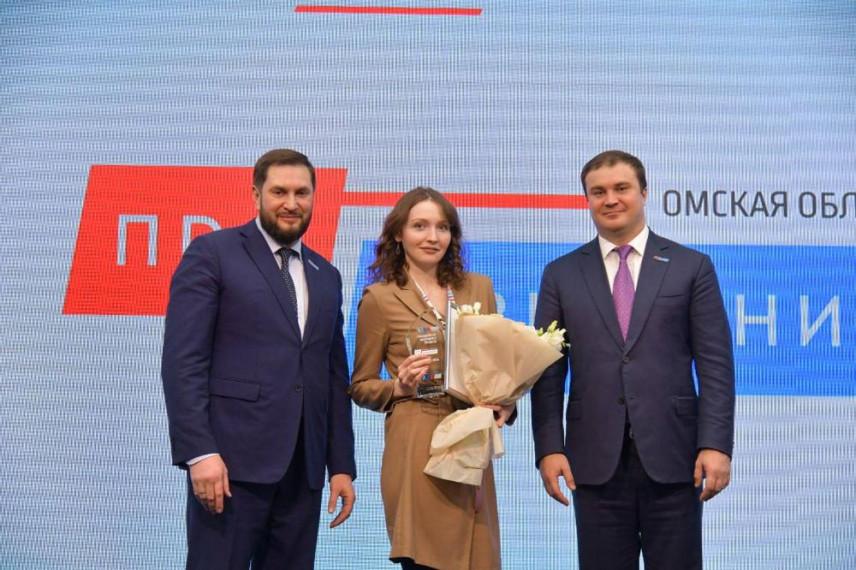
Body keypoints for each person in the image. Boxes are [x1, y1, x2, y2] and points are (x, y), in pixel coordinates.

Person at [531, 150, 735, 569]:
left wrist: (715, 444)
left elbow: (715, 366)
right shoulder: (561, 274)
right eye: (598, 192)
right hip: (593, 461)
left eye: (621, 188)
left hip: (675, 458)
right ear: (587, 199)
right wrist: (549, 448)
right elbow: (547, 373)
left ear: (644, 192)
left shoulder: (691, 267)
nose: (610, 199)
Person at [161, 148, 356, 569]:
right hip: (229, 468)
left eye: (302, 193)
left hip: (303, 474)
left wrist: (341, 465)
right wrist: (199, 452)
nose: (291, 203)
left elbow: (332, 376)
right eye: (279, 192)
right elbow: (183, 362)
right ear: (256, 195)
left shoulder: (326, 275)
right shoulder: (213, 252)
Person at [349, 187, 514, 570]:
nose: (432, 236)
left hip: (470, 440)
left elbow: (497, 366)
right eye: (419, 226)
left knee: (477, 559)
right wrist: (399, 387)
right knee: (426, 560)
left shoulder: (478, 288)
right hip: (416, 442)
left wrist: (506, 402)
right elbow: (360, 385)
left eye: (442, 227)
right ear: (398, 234)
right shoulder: (380, 298)